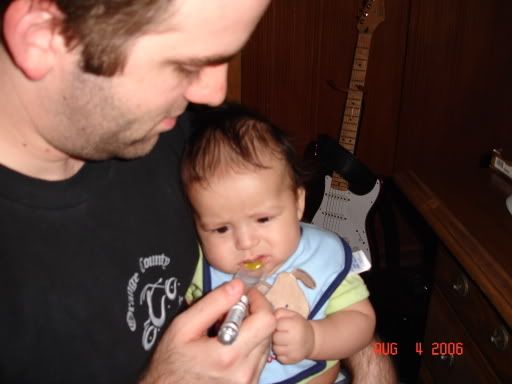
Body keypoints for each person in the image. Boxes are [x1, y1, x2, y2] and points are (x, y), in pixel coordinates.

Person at [0, 1, 397, 383]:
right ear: (43, 37)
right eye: (184, 64)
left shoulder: (185, 131)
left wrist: (348, 348)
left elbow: (316, 271)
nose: (214, 94)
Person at [181, 103, 376, 384]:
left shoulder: (321, 258)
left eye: (262, 219)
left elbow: (361, 321)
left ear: (298, 203)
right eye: (221, 228)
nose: (246, 242)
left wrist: (314, 339)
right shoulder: (197, 265)